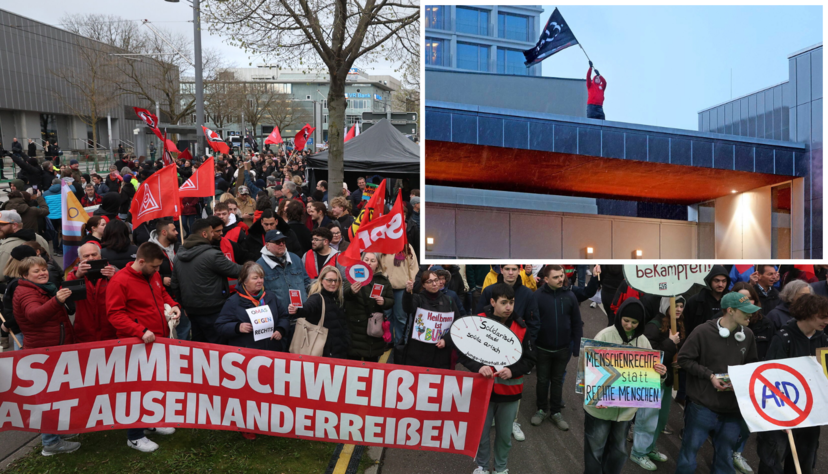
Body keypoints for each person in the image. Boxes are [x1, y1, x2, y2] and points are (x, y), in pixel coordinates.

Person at [106, 242, 180, 453]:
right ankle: (135, 436)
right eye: (155, 267)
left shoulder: (152, 275)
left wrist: (174, 305)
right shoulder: (120, 281)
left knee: (153, 385)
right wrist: (139, 330)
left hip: (156, 340)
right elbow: (115, 314)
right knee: (136, 390)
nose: (158, 271)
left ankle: (150, 421)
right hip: (136, 344)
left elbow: (161, 295)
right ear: (141, 262)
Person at [676, 292, 759, 474]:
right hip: (702, 406)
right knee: (689, 453)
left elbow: (751, 365)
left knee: (725, 455)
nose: (750, 314)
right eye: (745, 311)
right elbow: (683, 359)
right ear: (730, 310)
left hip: (732, 408)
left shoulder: (748, 335)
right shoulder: (702, 331)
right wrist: (709, 376)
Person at [583, 297, 667, 474]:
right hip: (600, 408)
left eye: (634, 322)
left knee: (619, 451)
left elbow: (649, 375)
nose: (629, 325)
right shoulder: (604, 336)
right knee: (595, 449)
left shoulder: (643, 341)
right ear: (619, 316)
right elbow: (588, 370)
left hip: (626, 411)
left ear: (640, 322)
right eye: (626, 320)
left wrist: (660, 373)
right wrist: (595, 397)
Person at [465, 283, 536, 474]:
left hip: (510, 392)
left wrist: (512, 371)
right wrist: (479, 367)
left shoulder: (521, 328)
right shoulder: (478, 322)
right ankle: (481, 466)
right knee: (481, 435)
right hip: (483, 391)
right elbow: (464, 354)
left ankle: (501, 468)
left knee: (504, 436)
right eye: (504, 303)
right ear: (492, 302)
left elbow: (530, 359)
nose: (508, 307)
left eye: (511, 303)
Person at [14, 255, 80, 455]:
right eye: (37, 271)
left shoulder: (43, 288)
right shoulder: (26, 292)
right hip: (44, 353)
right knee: (48, 398)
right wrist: (57, 301)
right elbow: (34, 316)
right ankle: (51, 443)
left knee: (57, 395)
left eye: (43, 269)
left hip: (53, 349)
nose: (42, 273)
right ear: (26, 275)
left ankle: (57, 433)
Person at [757, 294, 827, 474]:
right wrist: (780, 415)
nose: (826, 321)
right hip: (782, 413)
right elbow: (771, 378)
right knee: (773, 461)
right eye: (823, 316)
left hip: (810, 413)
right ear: (807, 313)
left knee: (804, 461)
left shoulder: (823, 339)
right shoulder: (783, 338)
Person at [630, 296, 683, 471]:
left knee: (660, 419)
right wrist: (670, 343)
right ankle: (638, 452)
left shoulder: (678, 325)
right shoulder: (653, 325)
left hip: (666, 379)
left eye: (681, 306)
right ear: (666, 306)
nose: (678, 309)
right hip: (652, 379)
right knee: (647, 418)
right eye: (675, 305)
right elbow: (650, 356)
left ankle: (649, 447)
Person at [171, 218, 241, 344]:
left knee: (199, 346)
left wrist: (184, 305)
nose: (214, 234)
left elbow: (175, 284)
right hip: (213, 310)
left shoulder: (178, 256)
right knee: (218, 348)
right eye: (211, 231)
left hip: (192, 311)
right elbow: (237, 271)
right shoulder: (212, 255)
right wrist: (256, 267)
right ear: (204, 234)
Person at [531, 265, 582, 432]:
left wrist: (576, 347)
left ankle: (555, 412)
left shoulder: (570, 296)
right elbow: (532, 323)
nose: (561, 279)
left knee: (558, 381)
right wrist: (531, 346)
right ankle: (541, 409)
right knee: (543, 380)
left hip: (563, 349)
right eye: (556, 277)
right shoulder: (537, 296)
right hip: (542, 348)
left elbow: (576, 323)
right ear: (546, 280)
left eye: (562, 276)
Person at [401, 270, 459, 370]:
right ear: (423, 285)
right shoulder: (417, 298)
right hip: (419, 352)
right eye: (429, 281)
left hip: (441, 353)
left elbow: (457, 323)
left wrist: (446, 340)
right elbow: (407, 308)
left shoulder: (449, 300)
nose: (434, 283)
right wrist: (407, 292)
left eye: (436, 280)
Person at [288, 266, 350, 358]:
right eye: (329, 280)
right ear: (321, 280)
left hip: (339, 350)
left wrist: (347, 342)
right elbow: (307, 308)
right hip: (323, 351)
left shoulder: (338, 298)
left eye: (336, 280)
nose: (333, 283)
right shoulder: (317, 298)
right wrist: (297, 310)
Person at [344, 252, 394, 362]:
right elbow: (344, 294)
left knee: (371, 362)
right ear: (361, 261)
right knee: (353, 361)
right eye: (366, 260)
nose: (369, 263)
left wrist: (384, 301)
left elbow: (391, 300)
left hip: (374, 327)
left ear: (378, 263)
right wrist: (351, 291)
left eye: (372, 261)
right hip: (355, 326)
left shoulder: (383, 280)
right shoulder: (353, 275)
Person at [68, 242, 118, 342]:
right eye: (86, 256)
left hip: (110, 331)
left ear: (100, 256)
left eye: (94, 254)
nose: (91, 258)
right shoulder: (74, 274)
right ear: (80, 259)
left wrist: (114, 278)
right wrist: (76, 276)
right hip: (85, 332)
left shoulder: (113, 271)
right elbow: (65, 297)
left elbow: (126, 294)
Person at [479, 264, 539, 341]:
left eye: (514, 269)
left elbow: (533, 323)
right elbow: (479, 318)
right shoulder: (489, 291)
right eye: (507, 269)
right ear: (501, 270)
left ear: (519, 270)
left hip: (518, 341)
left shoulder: (527, 293)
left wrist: (527, 343)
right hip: (490, 340)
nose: (510, 273)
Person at [258, 229, 312, 314]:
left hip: (302, 315)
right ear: (267, 245)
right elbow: (259, 294)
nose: (281, 244)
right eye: (277, 242)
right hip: (280, 317)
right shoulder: (259, 266)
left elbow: (306, 282)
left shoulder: (295, 258)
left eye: (283, 241)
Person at [0, 245, 39, 350]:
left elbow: (24, 312)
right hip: (20, 329)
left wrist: (7, 324)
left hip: (22, 331)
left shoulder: (19, 283)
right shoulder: (16, 281)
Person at [683, 265, 730, 337]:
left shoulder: (732, 301)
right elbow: (687, 327)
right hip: (701, 341)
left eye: (724, 281)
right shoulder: (695, 301)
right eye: (716, 281)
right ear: (709, 280)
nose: (720, 284)